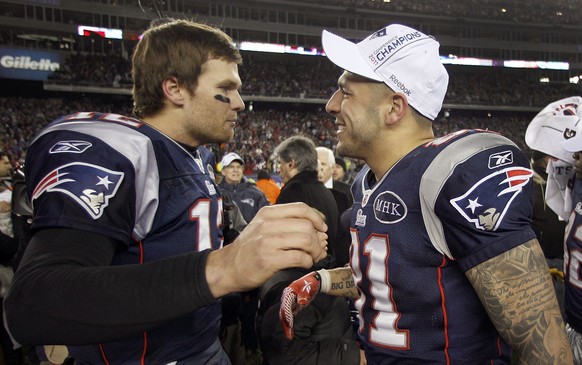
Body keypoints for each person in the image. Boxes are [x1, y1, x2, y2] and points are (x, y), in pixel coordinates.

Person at [3, 19, 328, 365]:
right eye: (227, 87)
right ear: (175, 88)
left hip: (202, 348)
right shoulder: (118, 153)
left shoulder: (196, 155)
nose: (240, 103)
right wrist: (224, 266)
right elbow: (34, 303)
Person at [279, 23, 572, 364]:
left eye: (346, 92)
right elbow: (390, 274)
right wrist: (321, 280)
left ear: (394, 107)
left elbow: (542, 341)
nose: (331, 105)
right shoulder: (368, 181)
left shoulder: (454, 175)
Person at [255, 135, 359, 365]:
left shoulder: (293, 193)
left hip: (307, 284)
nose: (279, 169)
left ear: (291, 163)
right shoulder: (323, 191)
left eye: (280, 164)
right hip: (319, 284)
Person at [530, 150, 567, 316]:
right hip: (542, 262)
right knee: (551, 315)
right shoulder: (530, 186)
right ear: (548, 160)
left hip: (565, 258)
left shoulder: (563, 182)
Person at [219, 152, 270, 223]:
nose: (235, 170)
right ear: (223, 171)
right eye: (231, 167)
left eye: (238, 167)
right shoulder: (216, 193)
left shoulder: (257, 194)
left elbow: (266, 220)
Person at [316, 146, 353, 213]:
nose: (318, 168)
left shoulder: (349, 192)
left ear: (332, 168)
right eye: (315, 164)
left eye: (323, 164)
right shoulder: (304, 190)